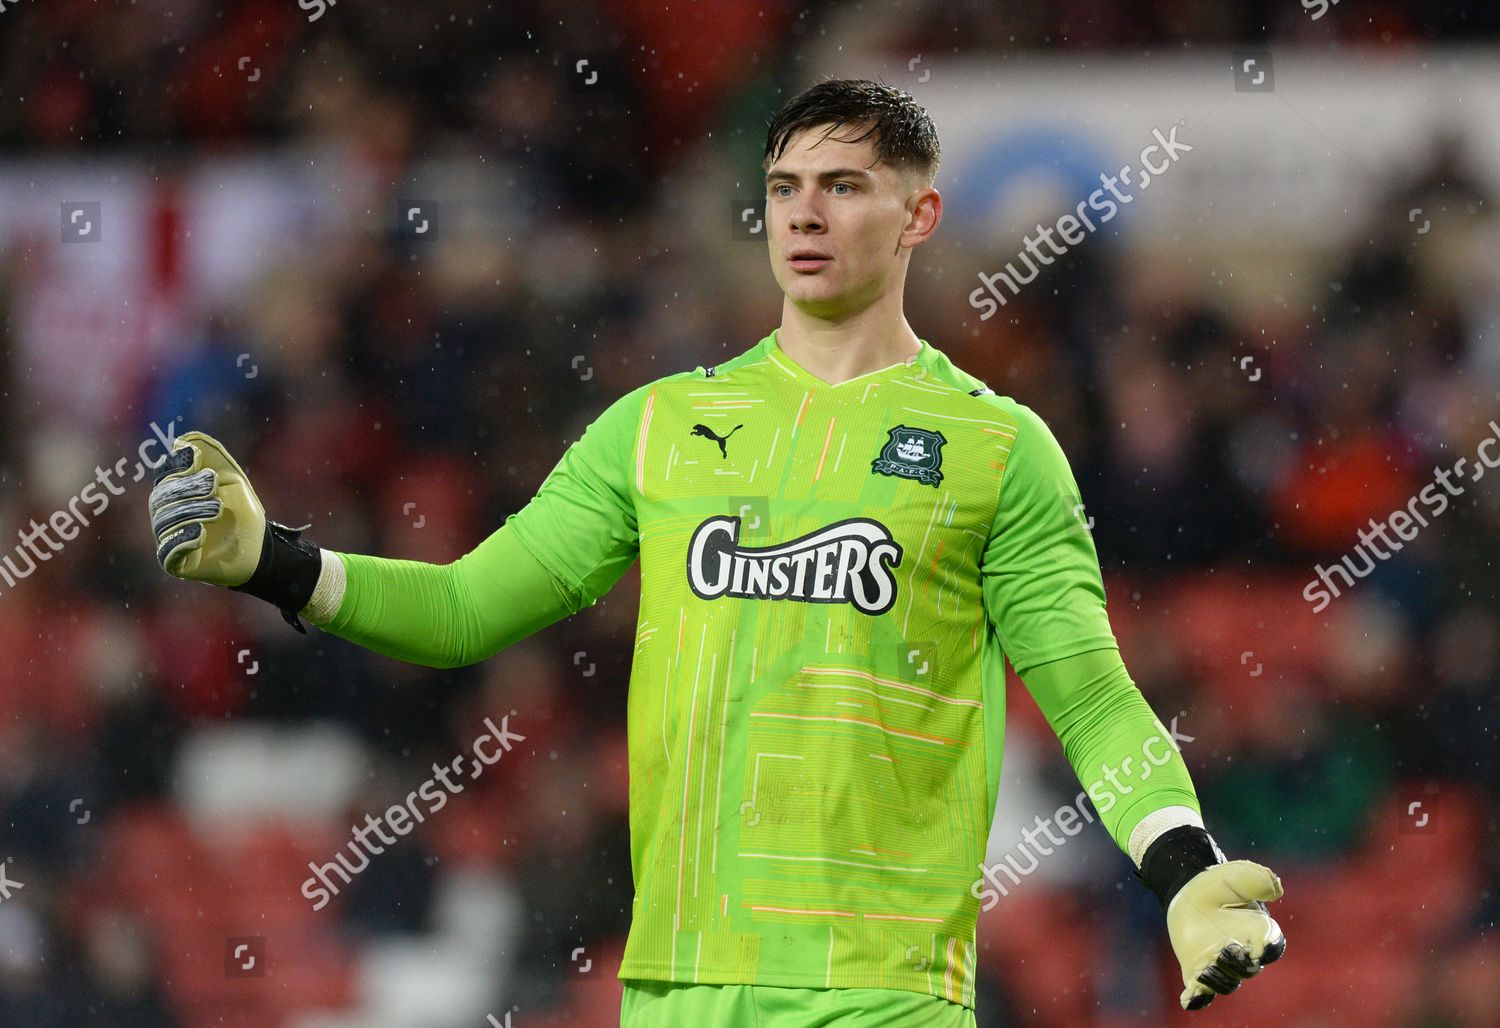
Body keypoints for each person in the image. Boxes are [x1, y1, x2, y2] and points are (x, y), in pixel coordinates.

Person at [148, 78, 1285, 1026]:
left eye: (844, 187)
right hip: (677, 985)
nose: (805, 213)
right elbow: (462, 610)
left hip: (879, 992)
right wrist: (275, 563)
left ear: (920, 216)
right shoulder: (657, 428)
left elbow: (1091, 698)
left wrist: (1183, 872)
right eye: (785, 187)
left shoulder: (999, 448)